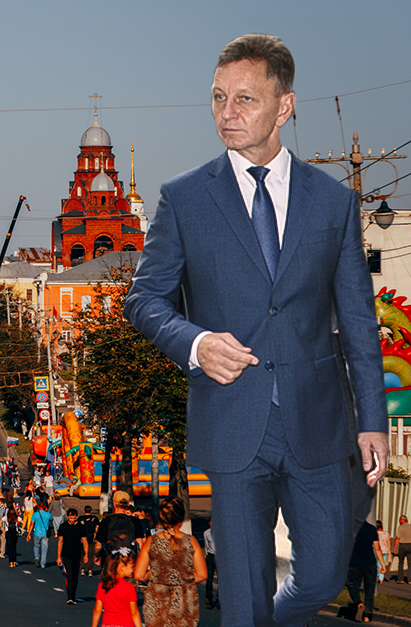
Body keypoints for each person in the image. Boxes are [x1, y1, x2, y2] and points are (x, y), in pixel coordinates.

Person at [124, 33, 388, 626]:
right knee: (241, 602)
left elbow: (359, 321)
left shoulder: (333, 203)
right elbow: (145, 300)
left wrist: (373, 418)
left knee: (322, 574)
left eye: (244, 99)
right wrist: (195, 343)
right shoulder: (185, 199)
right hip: (232, 421)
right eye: (218, 98)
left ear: (284, 107)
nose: (227, 113)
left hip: (320, 422)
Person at [133, 498, 206, 627]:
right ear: (181, 519)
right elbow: (202, 575)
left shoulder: (151, 542)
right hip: (184, 601)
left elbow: (139, 575)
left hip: (157, 600)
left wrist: (155, 573)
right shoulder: (191, 541)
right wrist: (182, 576)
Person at [343, 519, 384, 623]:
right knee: (369, 590)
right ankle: (367, 616)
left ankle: (359, 603)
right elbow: (377, 548)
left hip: (354, 563)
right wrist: (382, 564)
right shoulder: (371, 528)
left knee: (352, 585)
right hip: (370, 562)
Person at [91, 548, 141, 627]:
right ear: (122, 567)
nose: (133, 569)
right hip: (126, 624)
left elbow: (97, 610)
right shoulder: (129, 587)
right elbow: (134, 613)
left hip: (107, 623)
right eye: (132, 566)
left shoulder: (103, 585)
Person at [56, 508, 89, 604]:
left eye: (74, 518)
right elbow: (60, 542)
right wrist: (58, 556)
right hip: (66, 554)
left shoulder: (80, 527)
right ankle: (70, 597)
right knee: (69, 575)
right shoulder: (63, 527)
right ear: (67, 516)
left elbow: (85, 541)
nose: (72, 519)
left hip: (77, 554)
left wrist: (86, 554)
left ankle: (73, 595)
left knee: (75, 576)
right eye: (71, 517)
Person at [27, 499, 53, 568]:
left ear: (38, 507)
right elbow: (51, 519)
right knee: (44, 548)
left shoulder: (35, 514)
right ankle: (43, 564)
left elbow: (31, 524)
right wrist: (47, 511)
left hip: (37, 533)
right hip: (45, 533)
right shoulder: (48, 514)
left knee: (36, 546)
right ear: (44, 507)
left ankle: (37, 557)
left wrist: (29, 533)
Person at [203, 516, 219, 609]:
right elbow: (206, 545)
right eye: (211, 522)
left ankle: (220, 599)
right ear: (209, 523)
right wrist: (208, 555)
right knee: (209, 579)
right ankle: (208, 598)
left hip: (220, 557)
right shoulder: (206, 533)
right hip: (210, 557)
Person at [394, 515, 411, 583]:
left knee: (401, 562)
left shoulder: (400, 527)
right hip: (410, 545)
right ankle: (410, 580)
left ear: (402, 520)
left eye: (399, 520)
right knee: (410, 563)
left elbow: (397, 538)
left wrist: (395, 547)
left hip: (402, 545)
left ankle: (400, 579)